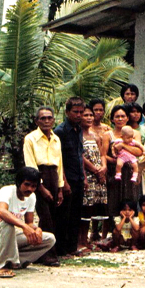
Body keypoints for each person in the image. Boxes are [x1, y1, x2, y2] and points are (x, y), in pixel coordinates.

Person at [0, 167, 56, 278]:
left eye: (34, 186)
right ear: (18, 182)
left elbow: (29, 223)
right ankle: (3, 266)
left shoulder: (31, 197)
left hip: (10, 237)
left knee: (49, 239)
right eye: (27, 184)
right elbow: (2, 212)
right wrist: (23, 226)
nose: (30, 189)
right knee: (8, 223)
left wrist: (37, 230)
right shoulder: (7, 191)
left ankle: (15, 261)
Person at [23, 106, 63, 266]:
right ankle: (47, 255)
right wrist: (40, 187)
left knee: (54, 217)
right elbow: (31, 165)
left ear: (54, 120)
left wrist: (60, 188)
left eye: (49, 118)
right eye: (42, 118)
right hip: (38, 178)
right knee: (45, 217)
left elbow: (59, 164)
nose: (46, 121)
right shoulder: (30, 139)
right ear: (36, 121)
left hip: (54, 176)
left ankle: (47, 249)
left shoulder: (56, 138)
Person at [54, 97, 87, 257]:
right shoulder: (60, 131)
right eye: (75, 112)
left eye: (81, 112)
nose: (79, 115)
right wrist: (64, 182)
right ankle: (61, 249)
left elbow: (80, 155)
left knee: (76, 214)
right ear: (67, 112)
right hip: (67, 179)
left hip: (79, 178)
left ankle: (72, 248)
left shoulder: (79, 129)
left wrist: (85, 177)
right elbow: (58, 159)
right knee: (63, 216)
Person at [102, 106, 142, 229]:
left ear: (127, 118)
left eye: (123, 116)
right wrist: (114, 160)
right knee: (113, 199)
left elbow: (138, 152)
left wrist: (123, 146)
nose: (120, 119)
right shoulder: (108, 135)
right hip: (116, 170)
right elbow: (103, 155)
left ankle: (132, 232)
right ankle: (113, 232)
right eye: (117, 116)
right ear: (112, 119)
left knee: (132, 198)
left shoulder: (135, 133)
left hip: (131, 170)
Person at [80, 105, 107, 248]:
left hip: (98, 176)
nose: (89, 118)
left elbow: (102, 154)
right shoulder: (78, 135)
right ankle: (81, 240)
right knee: (85, 208)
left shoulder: (95, 136)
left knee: (93, 208)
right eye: (86, 115)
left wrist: (103, 167)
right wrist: (96, 170)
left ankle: (90, 239)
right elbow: (81, 157)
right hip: (88, 174)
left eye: (91, 115)